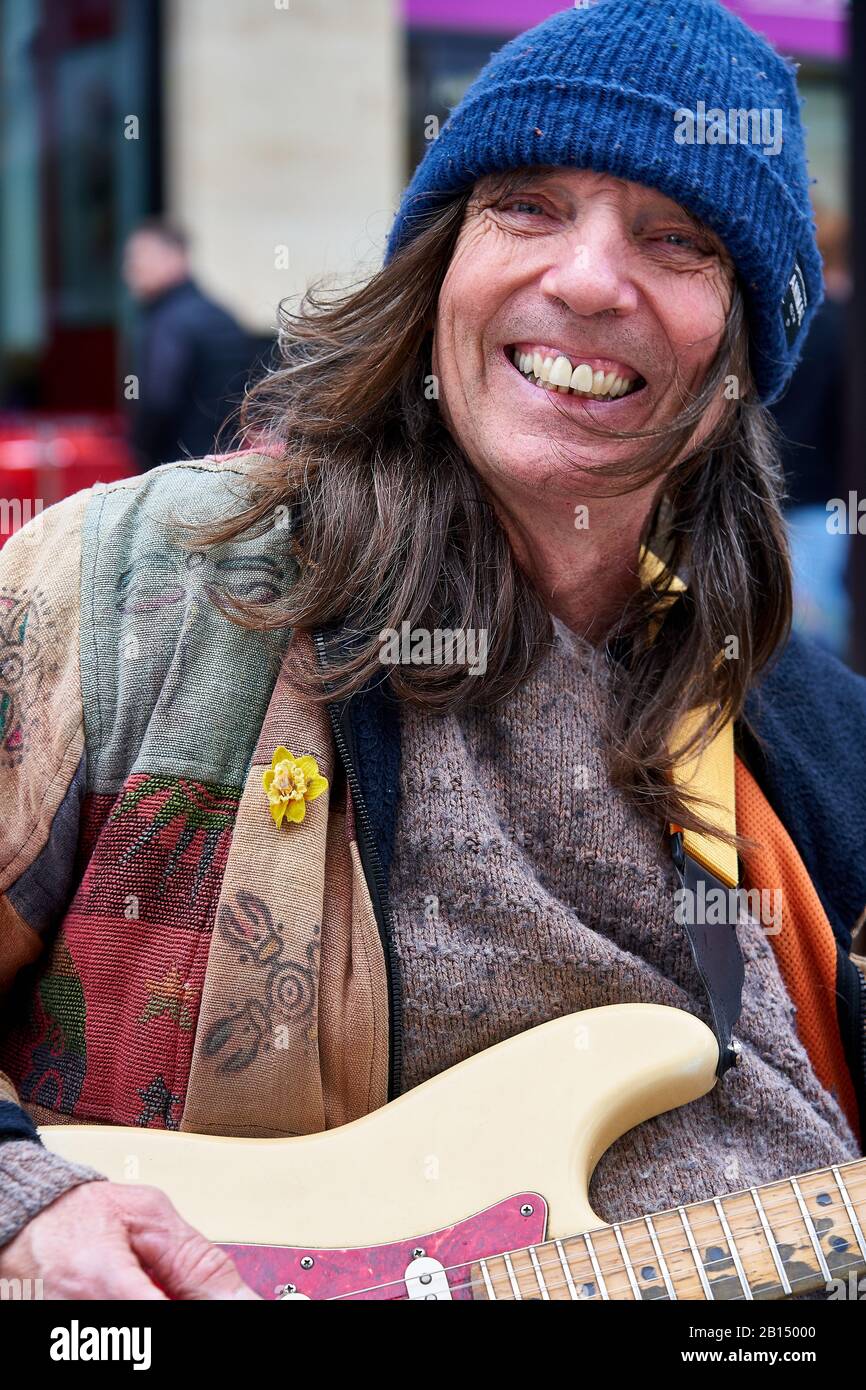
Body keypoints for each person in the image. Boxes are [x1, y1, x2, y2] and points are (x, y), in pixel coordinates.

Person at [0, 0, 864, 1301]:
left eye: (675, 238)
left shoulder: (811, 735)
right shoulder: (149, 588)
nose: (585, 277)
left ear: (741, 344)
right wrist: (23, 1200)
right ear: (435, 271)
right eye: (523, 204)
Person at [122, 220, 256, 471]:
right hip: (228, 467)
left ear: (174, 257)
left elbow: (157, 399)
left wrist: (137, 450)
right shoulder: (222, 315)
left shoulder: (168, 322)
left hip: (176, 471)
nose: (130, 272)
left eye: (137, 261)